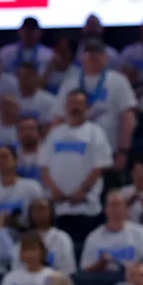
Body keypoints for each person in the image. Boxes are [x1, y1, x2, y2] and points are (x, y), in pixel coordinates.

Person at [40, 90, 111, 242]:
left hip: (85, 208)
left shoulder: (95, 132)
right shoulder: (55, 133)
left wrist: (81, 191)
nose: (75, 108)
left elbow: (100, 166)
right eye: (71, 104)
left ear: (87, 107)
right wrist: (54, 190)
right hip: (58, 208)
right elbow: (44, 166)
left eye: (79, 104)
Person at [81, 189, 143, 271]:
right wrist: (100, 264)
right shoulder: (93, 237)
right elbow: (85, 269)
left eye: (119, 205)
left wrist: (132, 266)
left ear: (126, 209)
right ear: (106, 209)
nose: (116, 210)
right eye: (112, 205)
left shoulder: (140, 233)